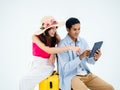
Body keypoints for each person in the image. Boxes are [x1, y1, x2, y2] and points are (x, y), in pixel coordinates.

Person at [19, 16, 80, 90]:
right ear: (46, 29)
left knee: (23, 80)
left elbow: (61, 46)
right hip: (35, 64)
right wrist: (69, 48)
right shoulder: (35, 37)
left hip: (46, 66)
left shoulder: (55, 36)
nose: (54, 30)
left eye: (55, 28)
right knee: (28, 84)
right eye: (52, 28)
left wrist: (53, 54)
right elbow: (47, 50)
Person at [57, 17, 114, 90]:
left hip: (86, 74)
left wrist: (95, 58)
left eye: (79, 29)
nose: (77, 32)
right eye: (74, 29)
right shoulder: (62, 45)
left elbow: (89, 61)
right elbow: (65, 69)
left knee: (109, 88)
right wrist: (80, 57)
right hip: (71, 76)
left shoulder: (82, 41)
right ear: (67, 29)